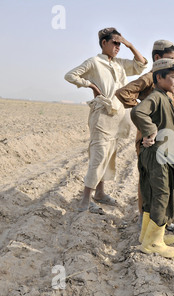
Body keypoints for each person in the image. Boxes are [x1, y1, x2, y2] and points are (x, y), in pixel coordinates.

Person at [64, 27, 148, 214]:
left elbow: (141, 64)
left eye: (120, 44)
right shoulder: (94, 62)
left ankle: (100, 194)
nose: (118, 47)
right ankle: (85, 200)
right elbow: (70, 75)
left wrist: (129, 44)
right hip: (101, 115)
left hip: (118, 117)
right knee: (99, 155)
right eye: (115, 43)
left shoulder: (119, 64)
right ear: (104, 43)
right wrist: (90, 84)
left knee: (109, 155)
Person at [130, 58, 174, 258]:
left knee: (151, 193)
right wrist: (150, 131)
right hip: (158, 156)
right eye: (173, 77)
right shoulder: (156, 96)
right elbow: (138, 112)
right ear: (159, 77)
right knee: (161, 194)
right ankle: (153, 243)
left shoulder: (164, 96)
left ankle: (148, 234)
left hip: (155, 154)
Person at [115, 40, 174, 218]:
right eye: (170, 58)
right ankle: (146, 218)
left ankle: (159, 220)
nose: (173, 63)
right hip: (149, 139)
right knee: (148, 179)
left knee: (162, 181)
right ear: (158, 57)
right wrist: (145, 112)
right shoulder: (151, 77)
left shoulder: (167, 79)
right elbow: (123, 93)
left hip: (164, 138)